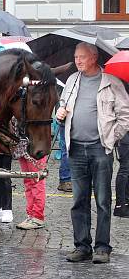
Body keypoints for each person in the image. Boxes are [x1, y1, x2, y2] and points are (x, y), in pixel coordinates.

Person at [58, 42, 129, 263]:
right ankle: (82, 246)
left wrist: (111, 137)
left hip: (100, 149)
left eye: (82, 57)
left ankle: (102, 247)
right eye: (76, 56)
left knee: (102, 199)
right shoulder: (72, 80)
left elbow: (125, 115)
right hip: (76, 148)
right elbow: (63, 102)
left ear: (94, 57)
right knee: (79, 200)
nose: (77, 60)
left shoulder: (111, 82)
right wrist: (60, 111)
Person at [115, 133, 129, 218]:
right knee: (125, 169)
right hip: (124, 134)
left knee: (126, 170)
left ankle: (124, 204)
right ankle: (120, 205)